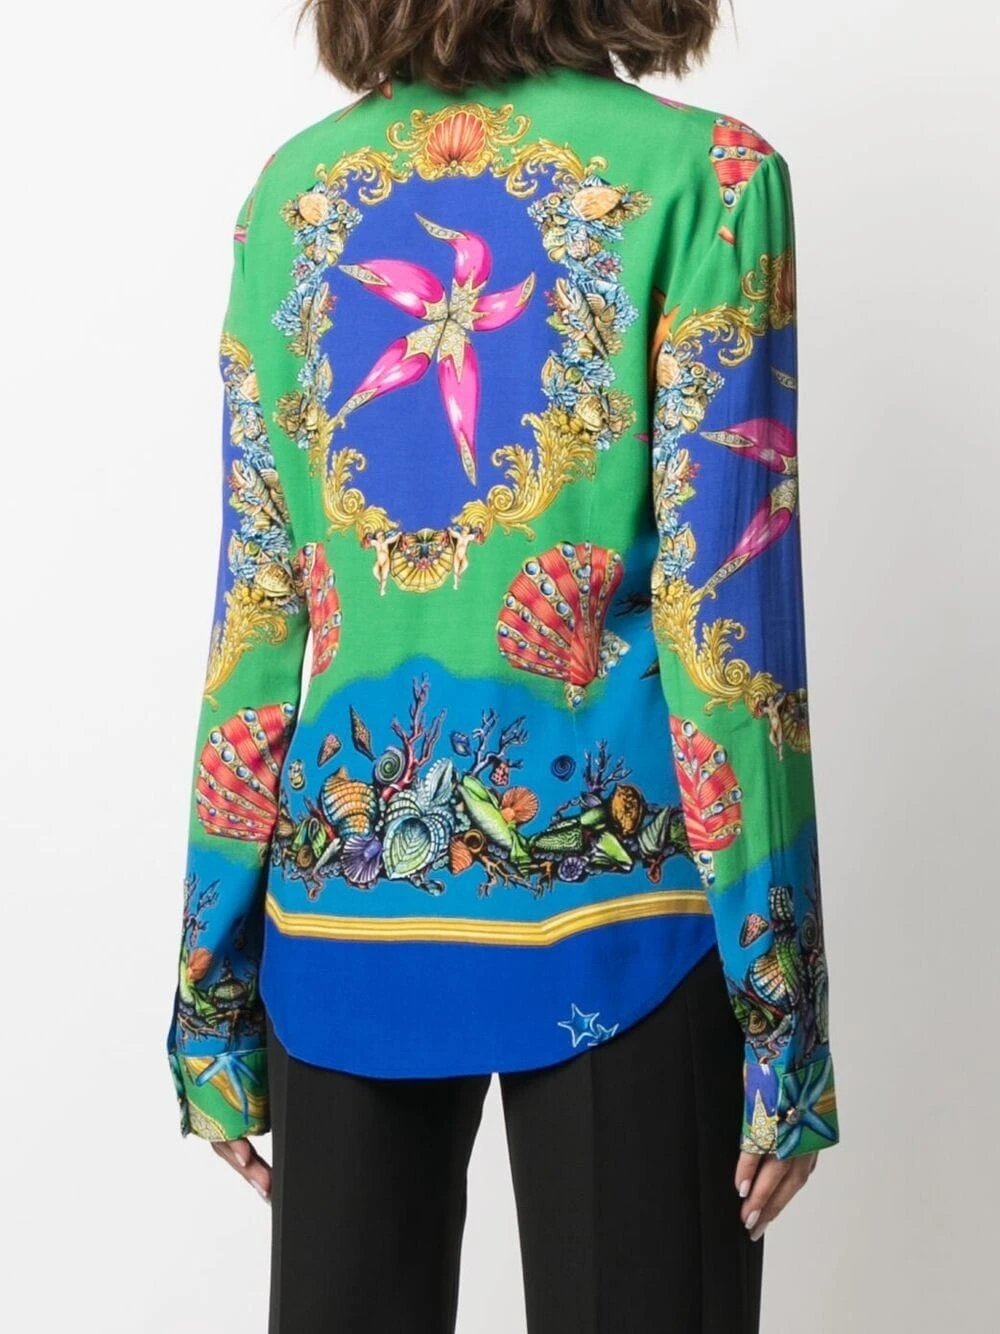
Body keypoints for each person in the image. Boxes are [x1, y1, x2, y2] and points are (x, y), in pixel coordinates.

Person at [166, 2, 840, 1329]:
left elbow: (256, 618)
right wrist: (787, 1013)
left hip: (341, 914)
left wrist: (208, 994)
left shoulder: (292, 199)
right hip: (629, 923)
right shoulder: (708, 183)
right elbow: (732, 643)